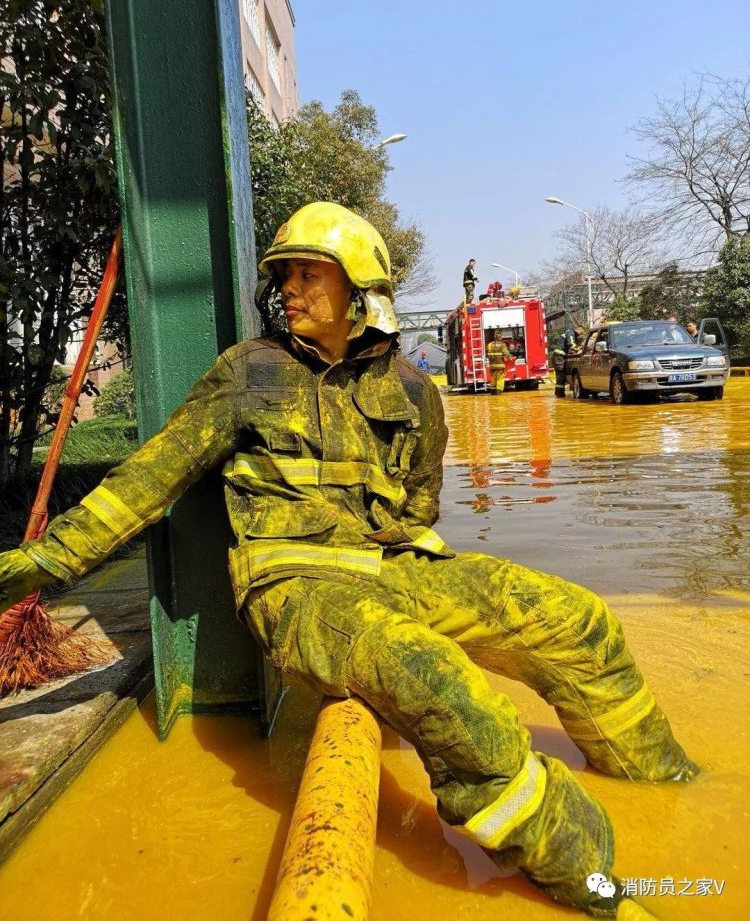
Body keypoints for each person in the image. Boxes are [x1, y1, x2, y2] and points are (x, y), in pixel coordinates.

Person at [0, 202, 693, 919]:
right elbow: (151, 476)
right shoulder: (247, 373)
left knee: (577, 621)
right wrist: (53, 560)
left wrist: (409, 577)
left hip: (397, 565)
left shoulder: (415, 390)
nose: (288, 290)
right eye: (284, 277)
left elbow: (421, 500)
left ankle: (669, 785)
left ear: (360, 286)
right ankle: (596, 887)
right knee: (441, 683)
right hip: (295, 584)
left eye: (307, 273)